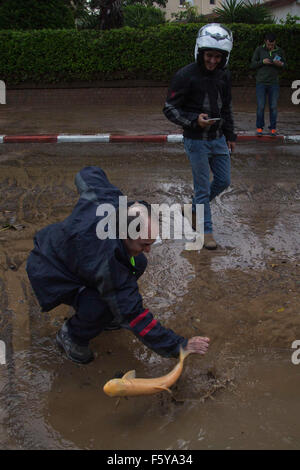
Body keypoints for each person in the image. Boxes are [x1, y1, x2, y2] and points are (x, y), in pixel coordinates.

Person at [26, 166, 210, 364]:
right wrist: (178, 345)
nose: (149, 249)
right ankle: (71, 335)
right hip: (49, 270)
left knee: (138, 262)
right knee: (104, 304)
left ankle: (103, 312)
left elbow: (87, 175)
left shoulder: (110, 202)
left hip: (68, 251)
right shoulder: (108, 263)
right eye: (143, 244)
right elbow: (135, 316)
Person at [163, 23, 236, 250]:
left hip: (218, 139)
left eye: (217, 57)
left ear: (224, 57)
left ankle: (192, 207)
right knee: (203, 188)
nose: (212, 61)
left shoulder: (224, 76)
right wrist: (194, 121)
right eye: (209, 55)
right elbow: (170, 108)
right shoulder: (185, 75)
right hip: (196, 141)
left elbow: (227, 108)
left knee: (224, 181)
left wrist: (230, 134)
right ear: (200, 52)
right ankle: (206, 233)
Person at [251, 32, 286, 136]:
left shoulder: (279, 51)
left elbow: (285, 65)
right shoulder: (259, 50)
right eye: (269, 44)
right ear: (265, 42)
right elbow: (252, 64)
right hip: (261, 82)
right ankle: (259, 128)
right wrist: (263, 62)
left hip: (273, 83)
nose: (270, 46)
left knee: (273, 106)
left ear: (275, 42)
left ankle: (273, 128)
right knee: (261, 106)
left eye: (272, 44)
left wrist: (280, 64)